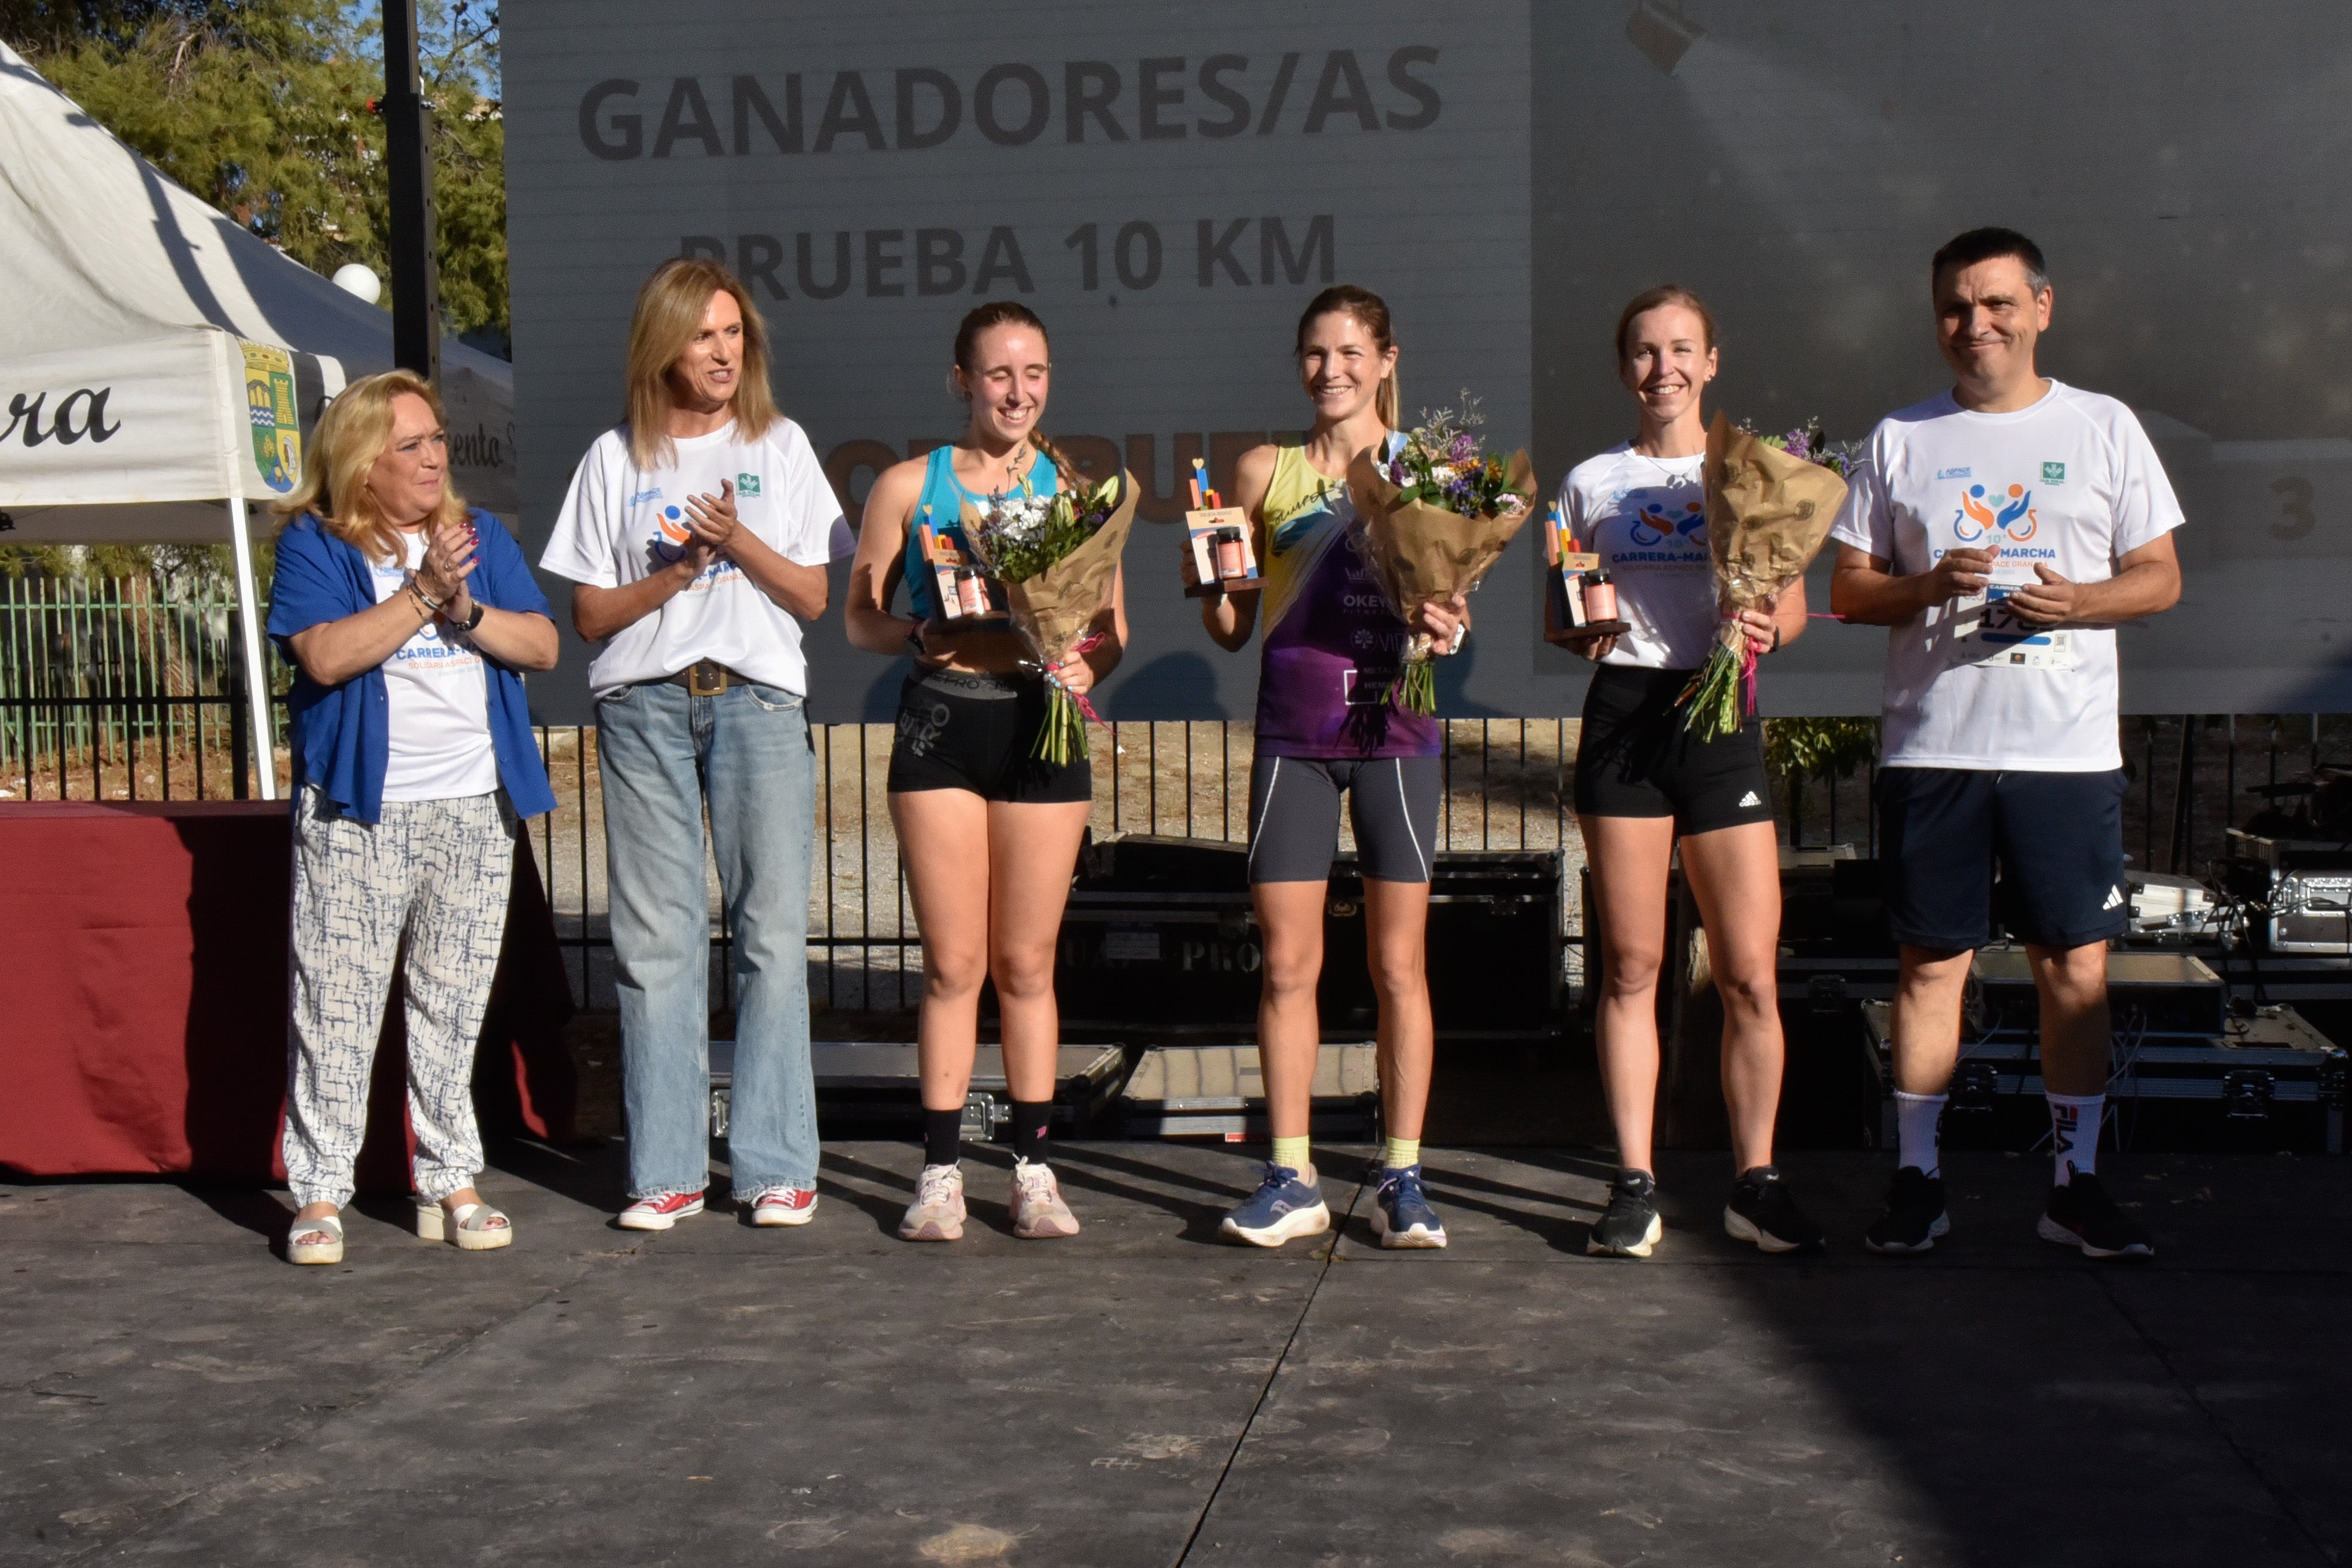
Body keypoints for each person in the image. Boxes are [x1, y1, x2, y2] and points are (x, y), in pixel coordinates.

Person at [1829, 228, 2183, 1259]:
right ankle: (1917, 1181)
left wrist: (2077, 602)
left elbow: (2158, 577)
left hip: (2064, 751)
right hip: (1935, 748)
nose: (1973, 325)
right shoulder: (1899, 435)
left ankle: (2074, 1187)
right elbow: (1850, 592)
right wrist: (1928, 584)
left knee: (2074, 970)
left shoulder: (2106, 426)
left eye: (1994, 304)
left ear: (2041, 306)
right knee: (1931, 965)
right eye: (1953, 308)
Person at [541, 258, 850, 1232]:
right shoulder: (613, 459)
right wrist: (676, 572)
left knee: (768, 936)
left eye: (733, 333)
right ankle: (667, 1167)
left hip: (756, 702)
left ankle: (773, 1167)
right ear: (662, 344)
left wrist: (739, 542)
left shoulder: (781, 444)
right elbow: (589, 614)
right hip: (643, 708)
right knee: (656, 943)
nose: (723, 352)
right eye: (703, 334)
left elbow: (811, 596)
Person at [1189, 284, 1465, 1250]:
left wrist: (1447, 619)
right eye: (1315, 353)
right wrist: (1211, 586)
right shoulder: (1264, 469)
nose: (1331, 370)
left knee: (1398, 966)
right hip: (1293, 743)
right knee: (1290, 965)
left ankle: (1402, 1176)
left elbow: (1452, 609)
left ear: (1387, 360)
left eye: (1351, 353)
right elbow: (1228, 632)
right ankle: (1291, 1173)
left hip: (1398, 736)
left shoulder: (1430, 471)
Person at [844, 301, 1126, 1243]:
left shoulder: (1076, 488)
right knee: (956, 964)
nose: (1019, 392)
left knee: (1026, 963)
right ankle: (939, 1174)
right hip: (942, 723)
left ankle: (1035, 1169)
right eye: (1000, 374)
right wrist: (919, 630)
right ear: (962, 381)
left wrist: (1090, 661)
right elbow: (860, 620)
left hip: (1040, 724)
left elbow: (1111, 631)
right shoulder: (905, 486)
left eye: (1034, 373)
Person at [1551, 287, 1822, 1258]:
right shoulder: (1590, 482)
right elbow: (1563, 614)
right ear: (1623, 367)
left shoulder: (1753, 473)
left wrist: (1765, 628)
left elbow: (1787, 610)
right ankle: (1634, 1182)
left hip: (1720, 725)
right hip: (1625, 719)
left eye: (1681, 351)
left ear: (1713, 363)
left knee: (1749, 973)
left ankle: (1757, 1181)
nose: (1661, 368)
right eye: (1643, 352)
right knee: (1629, 967)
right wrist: (1580, 623)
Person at [267, 369, 560, 1266]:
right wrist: (420, 595)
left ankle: (451, 1178)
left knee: (453, 1003)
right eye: (412, 444)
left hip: (474, 806)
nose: (435, 456)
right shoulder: (318, 544)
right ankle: (319, 1193)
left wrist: (465, 605)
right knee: (338, 1005)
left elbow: (542, 644)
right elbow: (323, 655)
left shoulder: (480, 539)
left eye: (437, 440)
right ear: (362, 463)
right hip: (362, 811)